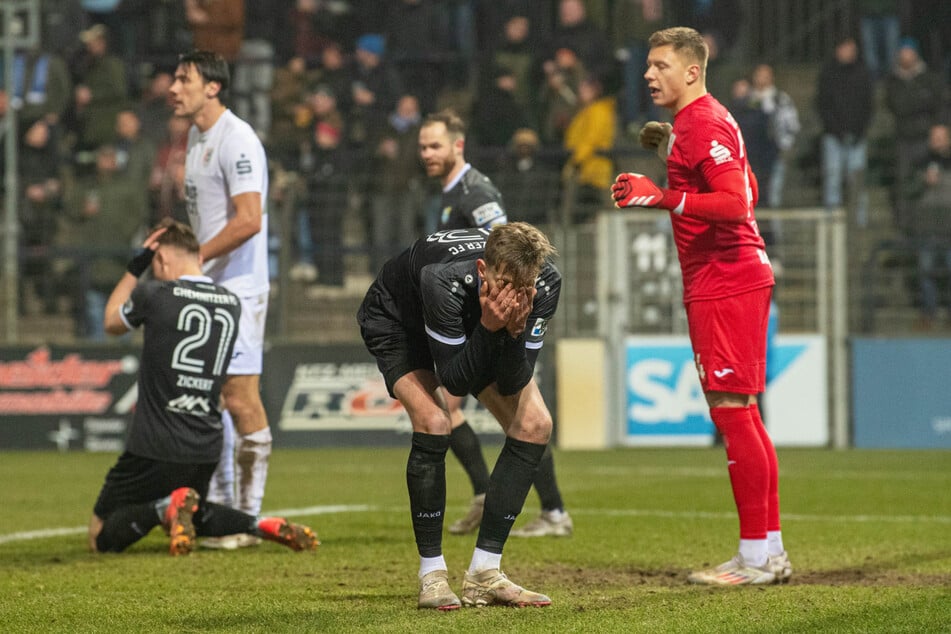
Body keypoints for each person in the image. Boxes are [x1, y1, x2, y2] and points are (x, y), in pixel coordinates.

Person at [611, 26, 790, 585]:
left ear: (691, 71)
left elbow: (737, 204)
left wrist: (662, 194)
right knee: (742, 413)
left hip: (726, 277)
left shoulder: (704, 121)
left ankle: (756, 558)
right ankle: (768, 550)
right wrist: (672, 152)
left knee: (733, 413)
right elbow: (750, 186)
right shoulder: (702, 121)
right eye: (647, 65)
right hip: (727, 276)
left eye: (660, 65)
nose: (648, 73)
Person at [356, 222, 559, 609]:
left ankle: (485, 573)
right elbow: (454, 382)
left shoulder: (543, 284)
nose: (515, 294)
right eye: (505, 282)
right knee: (434, 421)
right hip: (399, 318)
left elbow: (515, 377)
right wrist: (488, 327)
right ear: (483, 270)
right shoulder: (443, 280)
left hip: (475, 319)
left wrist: (513, 333)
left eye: (524, 285)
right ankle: (431, 575)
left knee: (535, 425)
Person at [88, 218, 317, 555]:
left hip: (154, 444)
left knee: (99, 536)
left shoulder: (153, 293)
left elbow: (111, 322)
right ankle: (254, 523)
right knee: (191, 512)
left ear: (162, 260)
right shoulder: (229, 302)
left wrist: (135, 269)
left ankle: (161, 507)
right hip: (204, 447)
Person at [419, 110, 573, 539]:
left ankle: (549, 509)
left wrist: (503, 317)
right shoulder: (452, 193)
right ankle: (492, 495)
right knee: (460, 410)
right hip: (475, 322)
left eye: (435, 145)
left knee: (519, 417)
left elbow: (505, 251)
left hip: (497, 320)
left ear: (457, 145)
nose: (427, 154)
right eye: (422, 147)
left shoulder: (476, 192)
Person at [169, 50, 273, 549]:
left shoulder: (238, 139)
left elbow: (249, 219)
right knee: (211, 398)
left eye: (183, 78)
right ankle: (226, 514)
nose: (173, 87)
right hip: (210, 283)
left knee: (239, 396)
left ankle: (247, 519)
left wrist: (197, 258)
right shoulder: (195, 136)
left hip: (239, 289)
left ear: (212, 87)